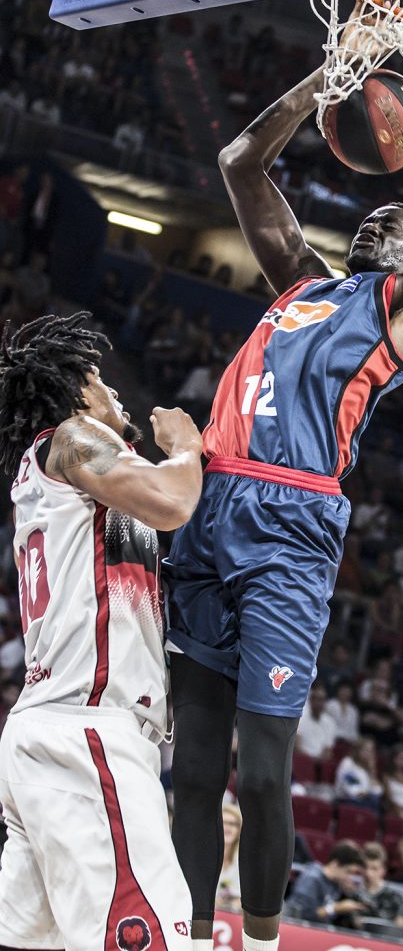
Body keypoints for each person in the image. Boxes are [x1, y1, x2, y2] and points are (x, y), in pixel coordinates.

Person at [164, 3, 403, 951]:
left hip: (292, 525)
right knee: (192, 766)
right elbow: (240, 164)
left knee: (261, 770)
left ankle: (255, 940)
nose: (390, 214)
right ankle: (178, 931)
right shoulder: (298, 282)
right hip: (210, 504)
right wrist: (331, 81)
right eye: (382, 209)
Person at [0, 311, 204, 950]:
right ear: (75, 391)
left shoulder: (58, 487)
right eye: (101, 379)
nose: (117, 393)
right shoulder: (71, 437)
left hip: (50, 731)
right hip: (88, 731)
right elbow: (173, 502)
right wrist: (188, 448)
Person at [282, 841, 366, 925]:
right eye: (348, 872)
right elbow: (302, 914)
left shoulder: (336, 883)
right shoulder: (312, 879)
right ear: (335, 864)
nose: (349, 878)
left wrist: (347, 893)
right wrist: (336, 908)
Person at [216, 805, 243, 912]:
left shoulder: (242, 861)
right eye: (223, 823)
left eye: (232, 824)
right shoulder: (202, 858)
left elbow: (242, 899)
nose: (227, 827)